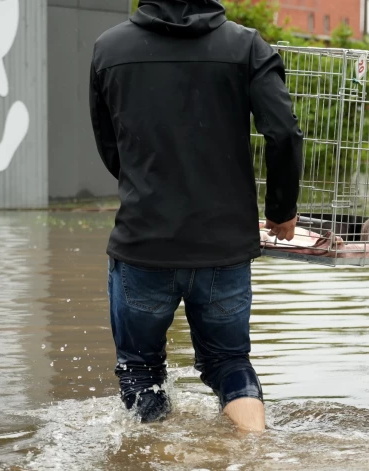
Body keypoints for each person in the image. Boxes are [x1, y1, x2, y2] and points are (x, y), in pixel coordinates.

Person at [88, 0, 303, 430]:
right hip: (224, 246)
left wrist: (144, 189)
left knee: (141, 371)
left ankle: (154, 455)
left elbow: (109, 144)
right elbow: (283, 133)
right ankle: (257, 450)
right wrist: (282, 210)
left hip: (143, 243)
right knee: (228, 363)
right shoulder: (246, 46)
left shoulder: (108, 48)